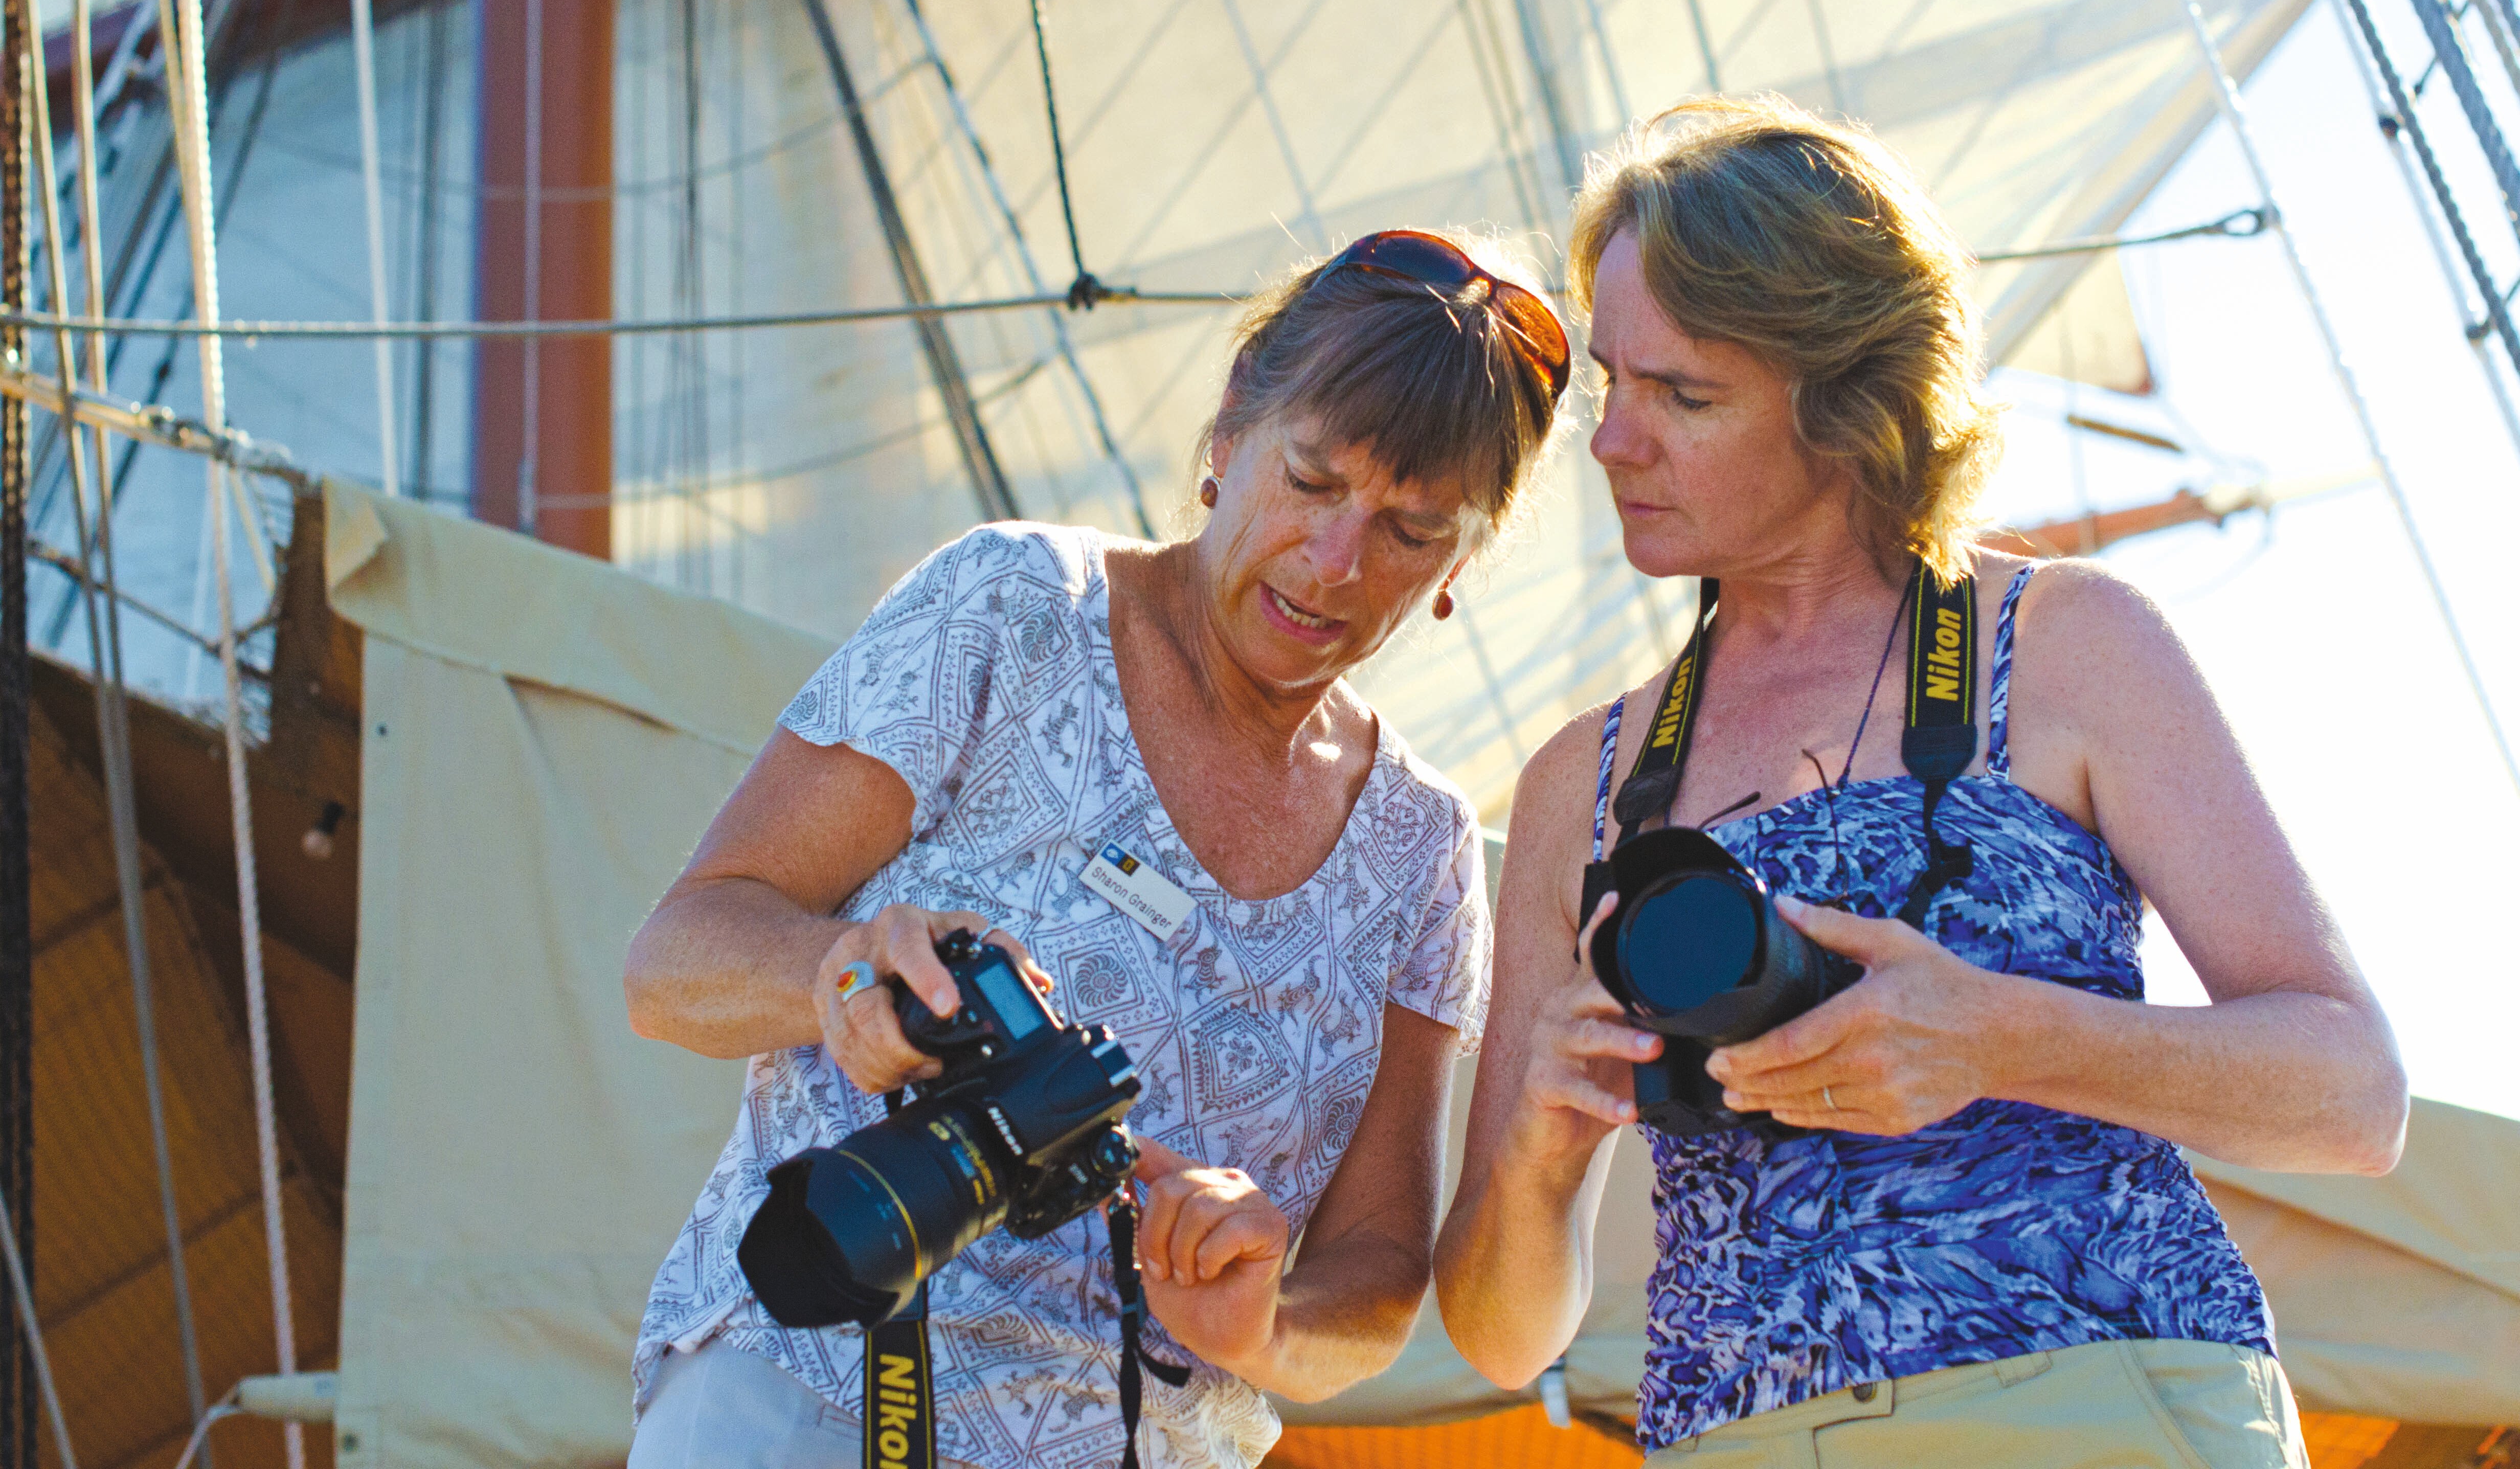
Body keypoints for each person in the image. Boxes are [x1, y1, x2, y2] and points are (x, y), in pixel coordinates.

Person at [1433, 97, 2406, 1469]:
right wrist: (1533, 1162)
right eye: (1612, 385)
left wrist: (1990, 1035)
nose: (1610, 444)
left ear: (1845, 403)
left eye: (1683, 397)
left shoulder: (2067, 645)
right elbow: (1499, 1335)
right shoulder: (1576, 787)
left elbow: (2356, 1097)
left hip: (2114, 1409)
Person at [622, 230, 1567, 1469]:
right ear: (1230, 431)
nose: (1336, 563)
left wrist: (1263, 1320)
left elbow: (1377, 1280)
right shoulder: (1013, 608)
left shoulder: (1420, 847)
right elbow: (670, 964)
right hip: (813, 1395)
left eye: (1409, 529)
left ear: (1460, 561)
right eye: (1313, 481)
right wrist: (839, 972)